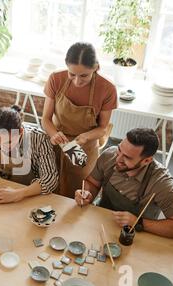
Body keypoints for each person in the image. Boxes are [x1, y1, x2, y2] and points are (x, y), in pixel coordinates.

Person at [75, 128, 173, 239]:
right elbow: (92, 182)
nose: (118, 159)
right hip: (100, 223)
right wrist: (87, 194)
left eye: (127, 157)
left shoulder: (162, 184)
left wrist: (138, 222)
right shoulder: (109, 155)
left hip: (135, 235)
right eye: (119, 149)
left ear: (147, 160)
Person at [42, 42, 117, 198]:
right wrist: (54, 134)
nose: (77, 81)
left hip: (84, 146)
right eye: (72, 74)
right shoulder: (56, 79)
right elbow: (46, 119)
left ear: (96, 67)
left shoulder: (107, 88)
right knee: (50, 187)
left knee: (78, 193)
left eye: (84, 75)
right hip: (56, 141)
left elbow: (103, 128)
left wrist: (84, 137)